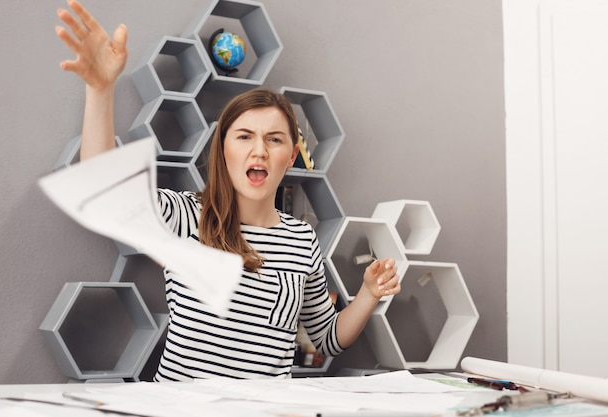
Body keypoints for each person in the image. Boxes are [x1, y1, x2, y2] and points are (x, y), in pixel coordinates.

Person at [55, 0, 401, 380]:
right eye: (244, 136)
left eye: (274, 139)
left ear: (291, 157)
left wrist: (369, 293)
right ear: (223, 150)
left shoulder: (303, 239)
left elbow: (328, 339)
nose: (259, 150)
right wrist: (100, 89)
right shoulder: (186, 216)